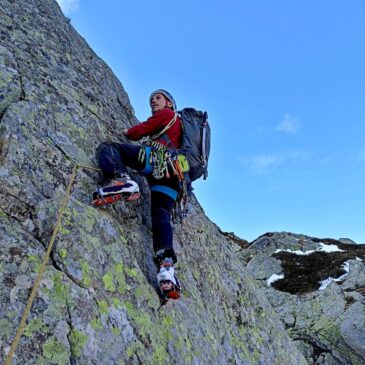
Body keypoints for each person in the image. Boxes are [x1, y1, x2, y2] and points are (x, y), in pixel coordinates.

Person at [94, 89, 183, 299]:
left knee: (109, 147)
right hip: (173, 175)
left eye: (158, 98)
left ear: (169, 103)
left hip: (157, 161)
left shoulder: (168, 115)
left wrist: (128, 132)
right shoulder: (177, 129)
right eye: (151, 100)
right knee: (161, 213)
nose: (153, 102)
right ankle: (167, 267)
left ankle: (122, 180)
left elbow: (142, 130)